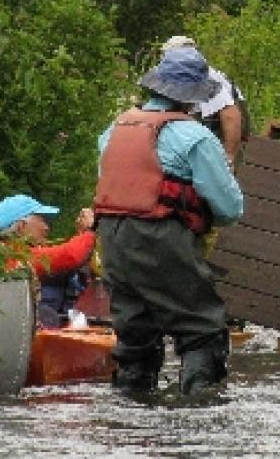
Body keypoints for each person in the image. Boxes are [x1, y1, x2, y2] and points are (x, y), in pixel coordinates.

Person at [94, 46, 244, 395]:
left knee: (134, 329)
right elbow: (230, 207)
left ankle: (130, 410)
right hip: (162, 238)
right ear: (192, 98)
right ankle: (198, 416)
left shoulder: (113, 131)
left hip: (113, 242)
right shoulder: (196, 137)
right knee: (202, 327)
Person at [0, 194, 96, 326]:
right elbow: (70, 255)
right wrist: (91, 229)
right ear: (21, 226)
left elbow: (59, 253)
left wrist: (83, 234)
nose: (47, 227)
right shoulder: (8, 256)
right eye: (42, 220)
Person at [161, 35, 250, 168]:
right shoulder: (184, 76)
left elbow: (231, 116)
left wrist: (228, 158)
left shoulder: (208, 78)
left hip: (227, 133)